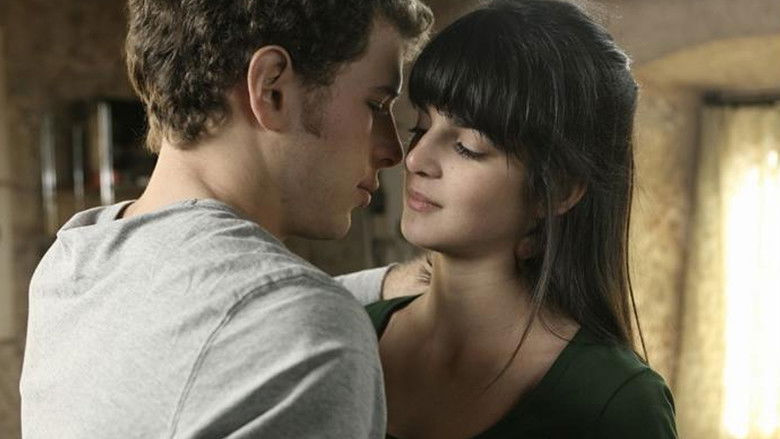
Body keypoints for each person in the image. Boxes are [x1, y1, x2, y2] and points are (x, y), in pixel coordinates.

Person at [20, 1, 432, 437]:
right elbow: (271, 313)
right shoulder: (309, 333)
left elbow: (216, 312)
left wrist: (394, 283)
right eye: (376, 104)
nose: (394, 152)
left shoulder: (75, 258)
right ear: (271, 88)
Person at [348, 0, 679, 437]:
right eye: (421, 129)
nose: (415, 159)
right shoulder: (347, 335)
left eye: (466, 146)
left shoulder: (616, 403)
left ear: (556, 190)